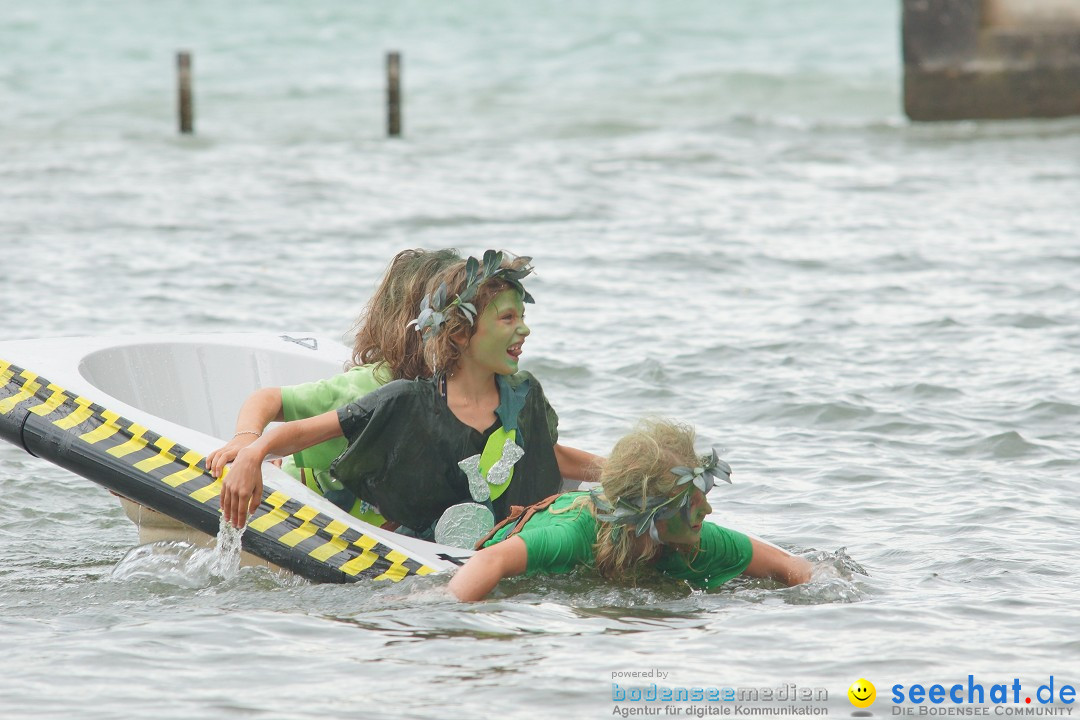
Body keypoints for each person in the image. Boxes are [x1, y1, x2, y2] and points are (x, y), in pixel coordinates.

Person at [217, 250, 603, 537]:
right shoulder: (376, 388)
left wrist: (623, 472)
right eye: (505, 318)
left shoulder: (493, 393)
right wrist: (250, 443)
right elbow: (270, 401)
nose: (523, 330)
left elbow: (541, 453)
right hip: (333, 502)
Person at [206, 248, 461, 525]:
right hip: (301, 512)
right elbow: (267, 399)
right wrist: (247, 441)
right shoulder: (367, 387)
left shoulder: (464, 397)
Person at [448, 419, 813, 601]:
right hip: (522, 527)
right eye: (690, 501)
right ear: (649, 512)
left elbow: (792, 567)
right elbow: (488, 562)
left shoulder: (696, 541)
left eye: (704, 493)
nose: (708, 510)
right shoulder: (575, 535)